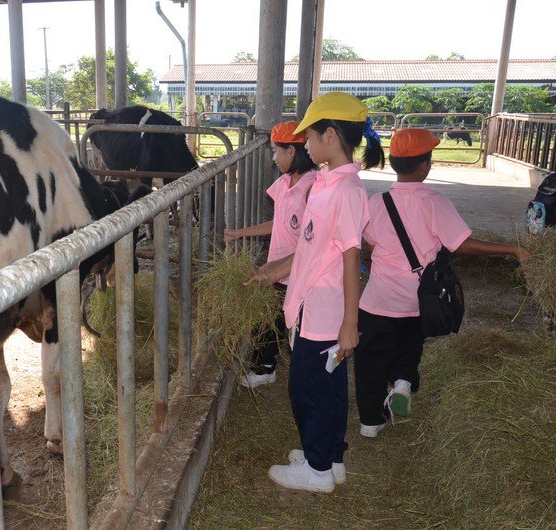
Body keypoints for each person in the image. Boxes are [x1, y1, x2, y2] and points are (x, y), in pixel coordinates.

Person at [355, 128, 532, 437]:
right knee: (410, 343)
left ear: (394, 163)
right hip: (419, 299)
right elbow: (461, 243)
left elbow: (367, 241)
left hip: (378, 300)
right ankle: (402, 383)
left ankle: (371, 422)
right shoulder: (435, 201)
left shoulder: (376, 202)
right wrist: (511, 249)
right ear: (425, 165)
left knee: (370, 357)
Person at [252, 92, 384, 493]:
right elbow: (315, 245)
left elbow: (349, 256)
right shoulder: (329, 184)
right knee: (328, 386)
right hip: (317, 301)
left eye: (308, 136)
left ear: (329, 136)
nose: (304, 143)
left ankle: (317, 469)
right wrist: (276, 267)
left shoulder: (344, 191)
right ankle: (331, 457)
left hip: (325, 308)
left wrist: (350, 323)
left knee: (308, 387)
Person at [224, 121, 317, 388]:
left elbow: (314, 239)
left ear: (292, 151)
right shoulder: (284, 183)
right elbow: (277, 223)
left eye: (276, 151)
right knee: (267, 319)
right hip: (275, 269)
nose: (274, 158)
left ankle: (278, 367)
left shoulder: (313, 188)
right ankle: (266, 366)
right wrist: (240, 233)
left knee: (295, 321)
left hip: (298, 269)